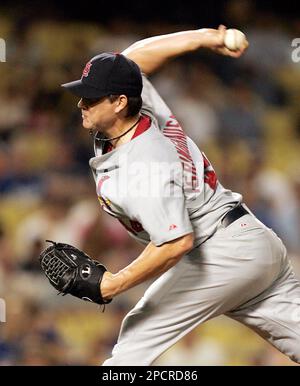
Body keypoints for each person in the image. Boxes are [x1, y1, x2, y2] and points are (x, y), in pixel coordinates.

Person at [61, 26, 300, 365]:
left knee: (135, 339)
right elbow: (133, 59)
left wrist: (111, 285)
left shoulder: (145, 162)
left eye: (92, 97)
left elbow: (177, 243)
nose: (81, 103)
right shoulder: (136, 108)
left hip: (219, 252)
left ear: (118, 102)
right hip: (251, 242)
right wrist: (205, 37)